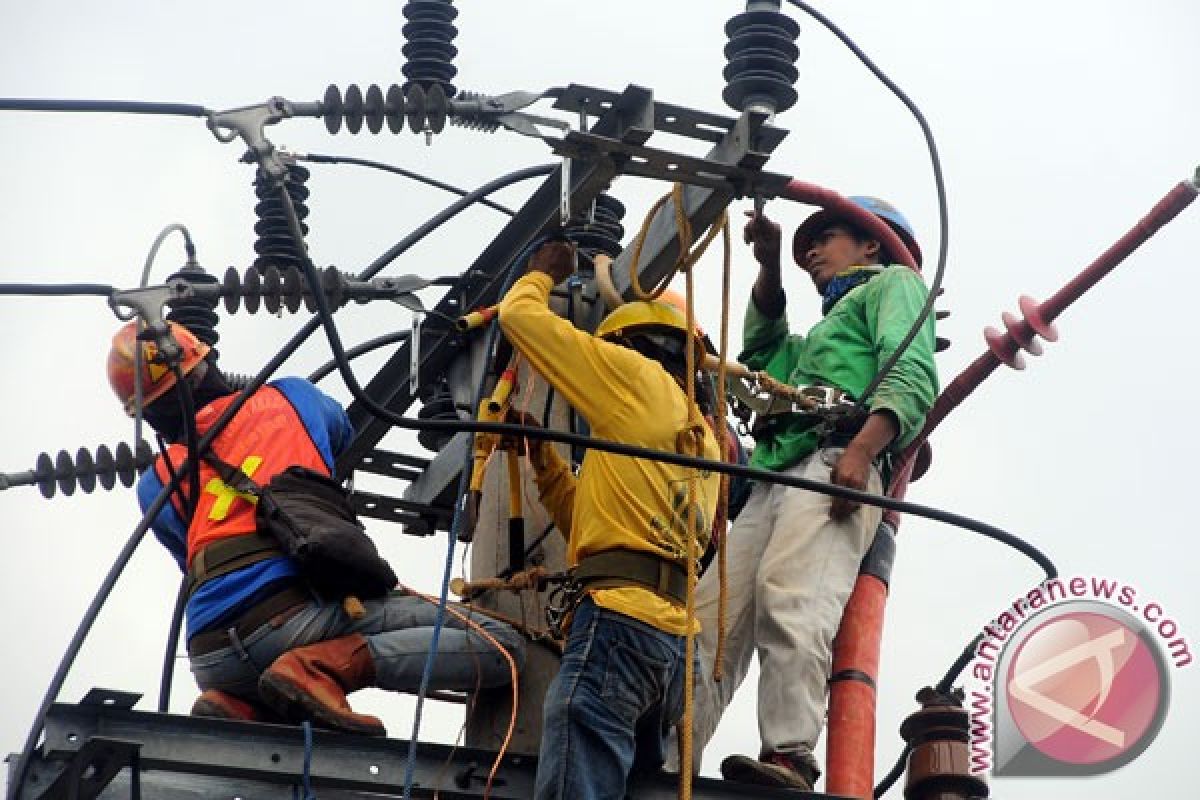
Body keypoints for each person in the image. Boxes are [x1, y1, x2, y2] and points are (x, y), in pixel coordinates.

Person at [107, 320, 525, 734]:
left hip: (209, 656)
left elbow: (195, 561)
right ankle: (319, 667)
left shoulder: (156, 484)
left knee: (271, 669)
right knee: (501, 646)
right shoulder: (292, 398)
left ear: (151, 419)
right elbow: (340, 433)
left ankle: (239, 701)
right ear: (206, 361)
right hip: (288, 622)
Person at [682, 197, 939, 789]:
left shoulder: (896, 286)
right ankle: (670, 764)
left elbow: (912, 372)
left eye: (826, 236)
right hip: (776, 474)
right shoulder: (822, 335)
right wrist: (769, 265)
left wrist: (862, 451)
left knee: (792, 597)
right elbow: (766, 354)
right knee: (708, 623)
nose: (812, 251)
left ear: (872, 243)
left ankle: (790, 755)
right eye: (806, 245)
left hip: (833, 461)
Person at [495, 239, 722, 800]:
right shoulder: (703, 439)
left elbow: (519, 318)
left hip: (618, 624)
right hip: (673, 650)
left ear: (627, 345)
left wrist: (539, 277)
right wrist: (544, 459)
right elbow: (594, 532)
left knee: (579, 780)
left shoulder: (635, 380)